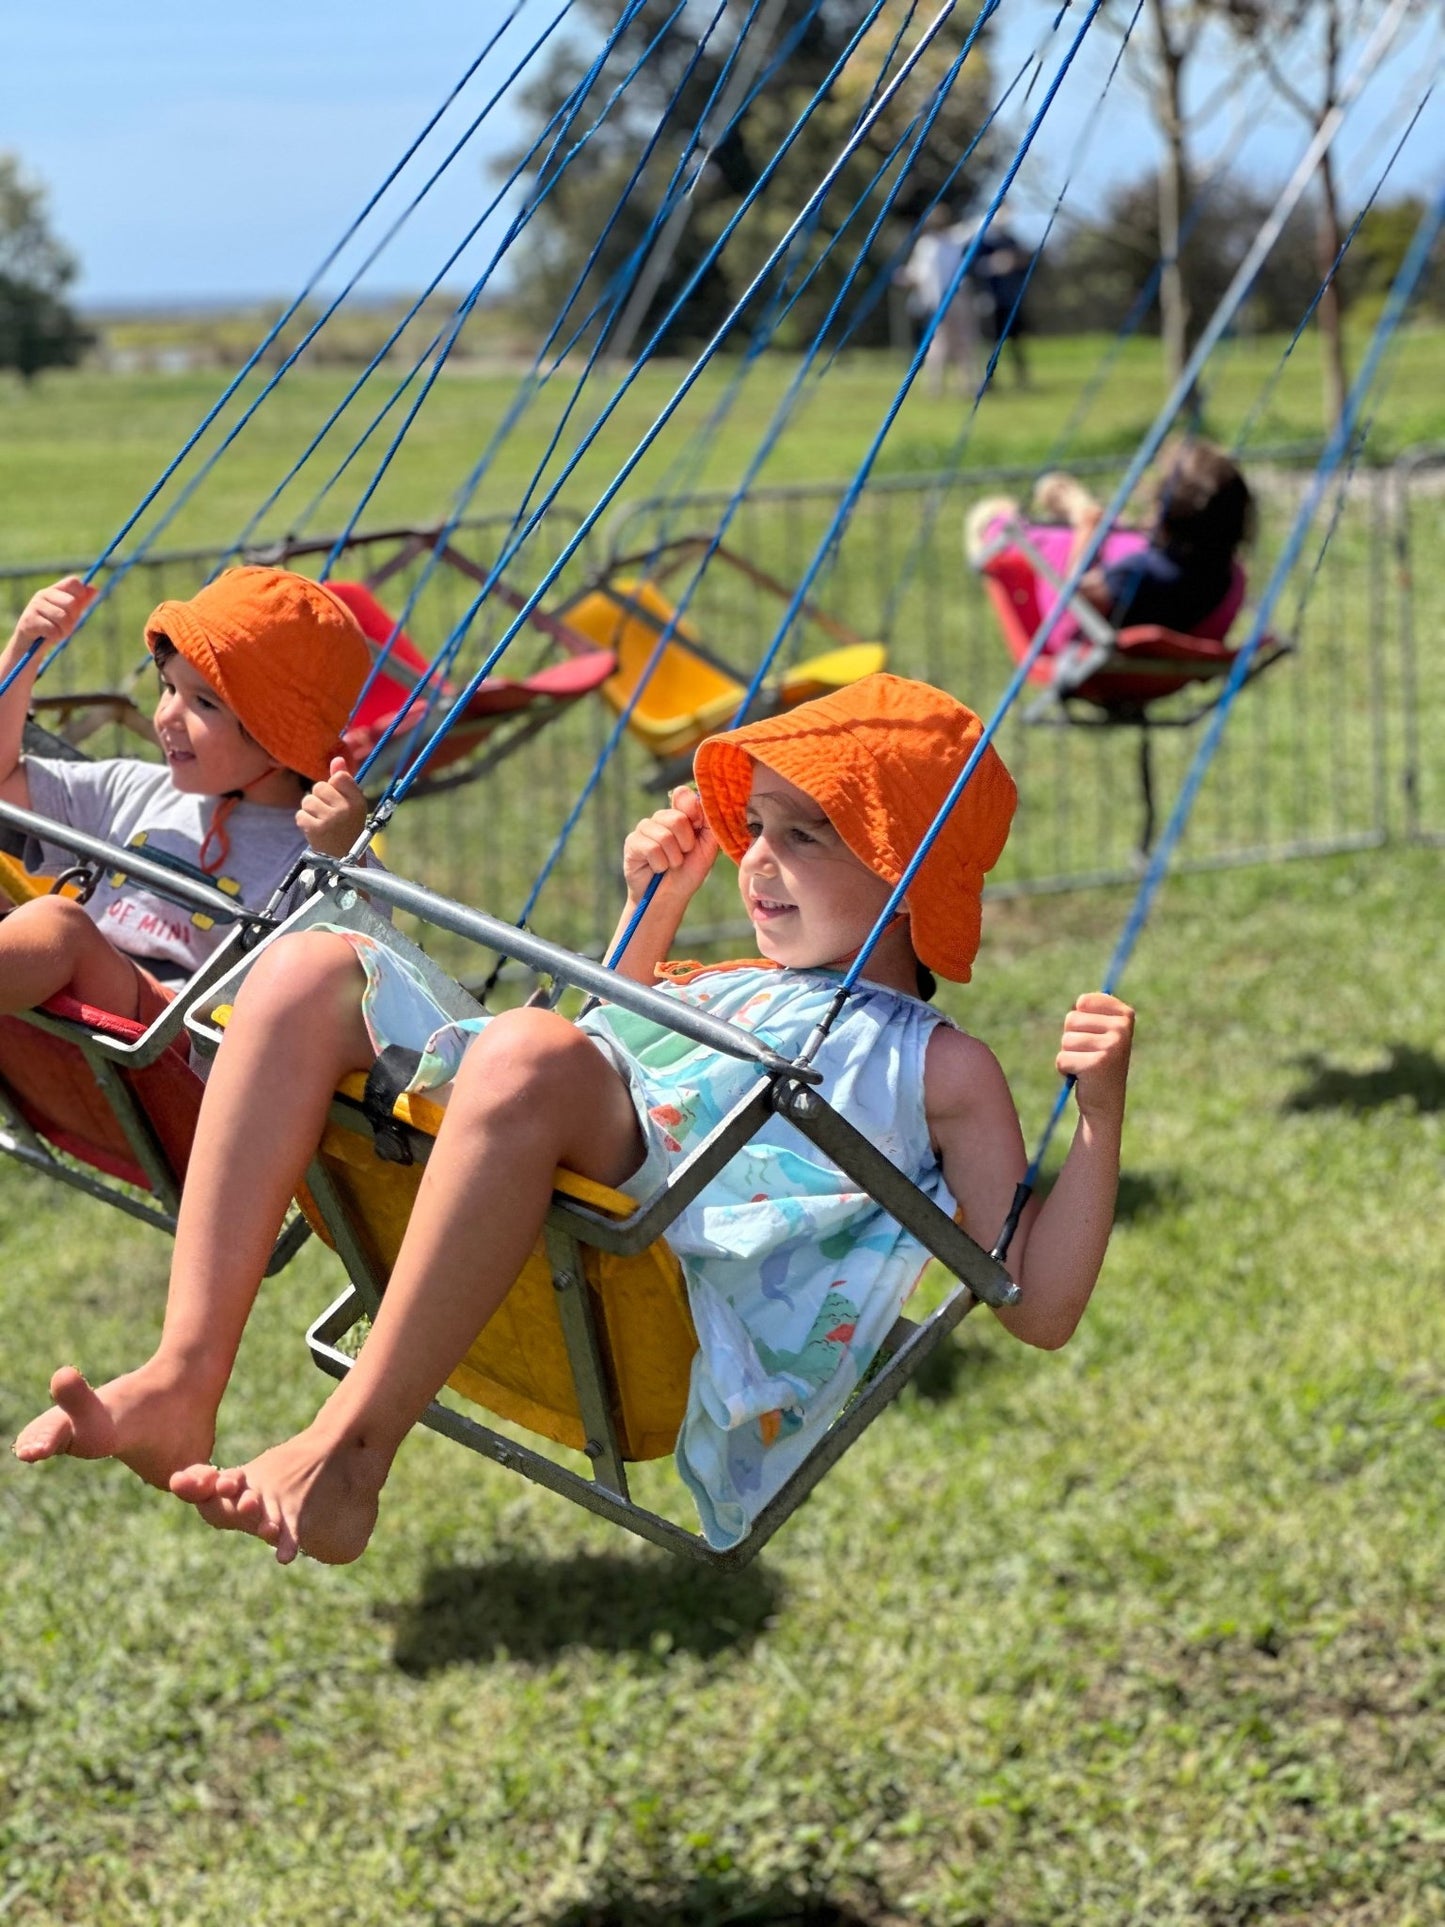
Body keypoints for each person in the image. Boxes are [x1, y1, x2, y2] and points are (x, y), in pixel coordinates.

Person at [13, 674, 1135, 1562]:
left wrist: (1095, 1114)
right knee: (306, 968)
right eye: (755, 829)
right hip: (587, 1166)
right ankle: (182, 1374)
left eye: (805, 836)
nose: (757, 861)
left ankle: (350, 1452)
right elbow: (612, 1036)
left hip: (680, 1277)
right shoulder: (722, 981)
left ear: (908, 868)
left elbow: (1029, 1302)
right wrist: (652, 911)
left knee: (532, 1048)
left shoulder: (940, 1066)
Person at [0, 566, 373, 1024]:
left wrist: (343, 859)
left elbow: (363, 964)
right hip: (70, 1037)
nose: (167, 716)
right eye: (170, 687)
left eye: (204, 703)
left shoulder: (317, 851)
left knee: (61, 926)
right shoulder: (133, 789)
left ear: (277, 744)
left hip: (169, 1055)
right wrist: (23, 650)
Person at [966, 439, 1257, 647]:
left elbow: (1075, 594)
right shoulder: (1223, 572)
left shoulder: (1142, 572)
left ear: (1164, 512)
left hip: (1089, 644)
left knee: (1056, 540)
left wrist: (1086, 525)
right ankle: (1077, 511)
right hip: (1175, 641)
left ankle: (1001, 524)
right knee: (1117, 533)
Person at [896, 207, 980, 397]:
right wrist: (906, 277)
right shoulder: (926, 245)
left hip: (957, 297)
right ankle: (935, 387)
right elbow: (917, 272)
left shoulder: (954, 238)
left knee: (964, 342)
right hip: (937, 301)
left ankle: (967, 385)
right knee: (939, 343)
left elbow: (976, 226)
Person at [971, 215, 1031, 389]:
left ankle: (1021, 378)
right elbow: (973, 266)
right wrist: (993, 264)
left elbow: (1024, 262)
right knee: (990, 343)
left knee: (1016, 341)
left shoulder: (1010, 240)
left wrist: (1017, 261)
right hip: (990, 300)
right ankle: (989, 381)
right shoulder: (983, 242)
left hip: (1011, 299)